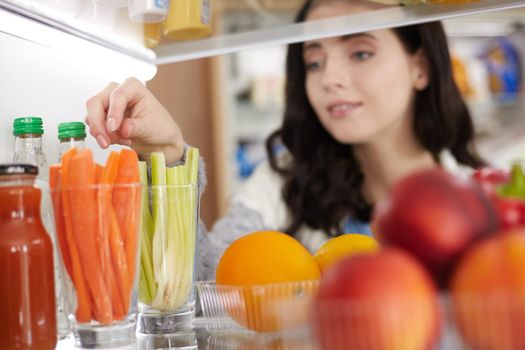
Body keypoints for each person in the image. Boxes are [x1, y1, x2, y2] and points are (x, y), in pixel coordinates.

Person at [84, 0, 484, 280]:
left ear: (421, 68)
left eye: (360, 53)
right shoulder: (283, 182)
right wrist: (167, 154)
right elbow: (209, 279)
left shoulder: (483, 197)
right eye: (314, 61)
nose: (329, 78)